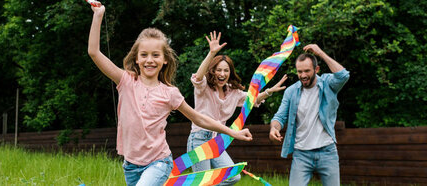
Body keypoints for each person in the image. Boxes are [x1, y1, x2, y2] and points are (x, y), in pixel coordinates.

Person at [87, 3, 253, 186]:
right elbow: (94, 52)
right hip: (130, 165)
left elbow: (199, 119)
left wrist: (232, 132)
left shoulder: (170, 93)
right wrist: (98, 15)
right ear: (136, 58)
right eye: (144, 55)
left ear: (165, 59)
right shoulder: (126, 81)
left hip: (159, 162)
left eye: (155, 55)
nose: (149, 60)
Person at [187, 31, 287, 185]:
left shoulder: (233, 92)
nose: (222, 73)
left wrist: (268, 92)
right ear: (212, 71)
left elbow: (251, 99)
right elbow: (198, 78)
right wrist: (211, 53)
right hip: (199, 139)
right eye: (218, 70)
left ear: (230, 73)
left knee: (233, 176)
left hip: (217, 141)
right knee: (203, 182)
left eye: (226, 70)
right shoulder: (204, 88)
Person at [268, 44, 350, 186]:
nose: (303, 75)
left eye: (307, 71)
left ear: (316, 69)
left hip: (327, 151)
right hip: (301, 154)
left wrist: (320, 52)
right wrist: (274, 128)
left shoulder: (328, 84)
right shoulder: (291, 92)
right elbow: (279, 117)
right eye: (300, 72)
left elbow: (343, 76)